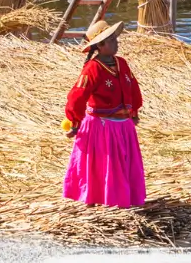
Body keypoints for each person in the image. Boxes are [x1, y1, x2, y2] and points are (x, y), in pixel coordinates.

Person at [62, 20, 146, 207]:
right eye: (112, 40)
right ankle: (102, 199)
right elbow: (77, 96)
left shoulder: (121, 63)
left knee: (125, 164)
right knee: (106, 166)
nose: (117, 43)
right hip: (102, 127)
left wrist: (134, 111)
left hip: (124, 125)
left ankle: (125, 199)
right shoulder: (92, 68)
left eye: (116, 38)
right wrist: (74, 122)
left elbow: (133, 87)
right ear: (100, 45)